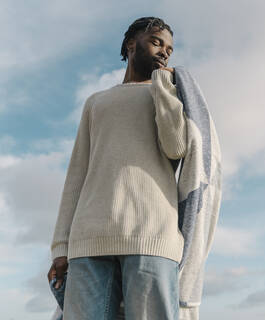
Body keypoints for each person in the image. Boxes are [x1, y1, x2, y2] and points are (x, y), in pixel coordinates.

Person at [47, 16, 186, 320]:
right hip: (89, 240)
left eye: (170, 49)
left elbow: (176, 146)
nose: (164, 51)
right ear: (131, 44)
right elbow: (76, 174)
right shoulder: (96, 102)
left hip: (152, 236)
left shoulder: (170, 96)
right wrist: (61, 246)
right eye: (156, 41)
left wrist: (164, 88)